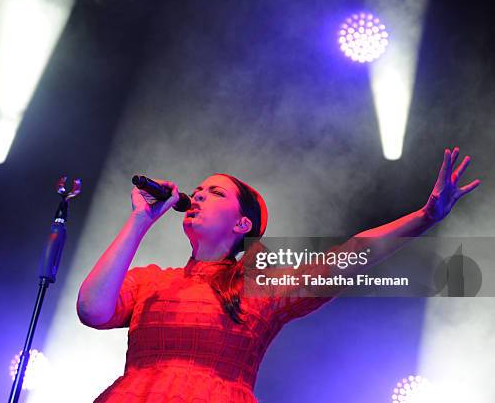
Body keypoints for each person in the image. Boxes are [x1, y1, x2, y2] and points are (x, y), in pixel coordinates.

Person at [77, 147, 480, 402]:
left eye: (215, 192)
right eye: (198, 189)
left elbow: (352, 254)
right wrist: (139, 220)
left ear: (241, 225)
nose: (197, 194)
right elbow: (92, 310)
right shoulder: (152, 281)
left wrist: (424, 217)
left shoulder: (261, 289)